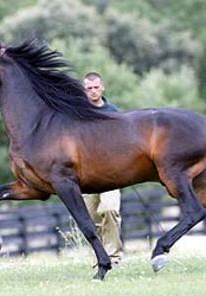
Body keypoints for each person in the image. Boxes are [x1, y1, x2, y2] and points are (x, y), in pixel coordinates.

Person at [82, 72, 123, 267]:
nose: (93, 91)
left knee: (110, 210)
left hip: (110, 172)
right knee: (90, 218)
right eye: (89, 88)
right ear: (84, 91)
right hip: (85, 174)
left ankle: (114, 257)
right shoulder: (78, 113)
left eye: (96, 87)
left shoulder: (114, 113)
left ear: (102, 87)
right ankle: (98, 258)